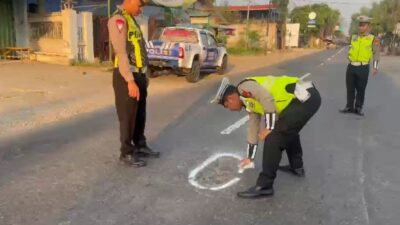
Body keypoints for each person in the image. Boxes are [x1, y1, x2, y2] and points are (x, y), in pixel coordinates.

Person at [212, 75, 321, 199]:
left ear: (230, 99)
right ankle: (296, 166)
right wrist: (250, 158)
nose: (229, 110)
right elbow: (253, 127)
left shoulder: (243, 87)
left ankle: (265, 186)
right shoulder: (249, 102)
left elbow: (266, 97)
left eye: (226, 106)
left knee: (274, 137)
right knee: (287, 128)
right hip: (302, 98)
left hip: (304, 97)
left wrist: (269, 128)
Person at [108, 0, 160, 167]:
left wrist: (145, 74)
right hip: (126, 76)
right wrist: (130, 80)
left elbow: (140, 47)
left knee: (140, 114)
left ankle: (140, 145)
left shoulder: (131, 19)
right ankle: (127, 152)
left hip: (139, 74)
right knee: (128, 116)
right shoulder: (118, 20)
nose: (141, 8)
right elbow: (121, 52)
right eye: (139, 4)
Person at [340, 15, 380, 116]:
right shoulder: (353, 37)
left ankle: (358, 107)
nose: (360, 27)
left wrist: (375, 67)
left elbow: (376, 53)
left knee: (361, 88)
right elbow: (345, 44)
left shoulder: (373, 39)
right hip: (351, 66)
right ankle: (349, 106)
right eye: (359, 25)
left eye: (363, 25)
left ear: (368, 26)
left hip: (363, 67)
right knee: (350, 88)